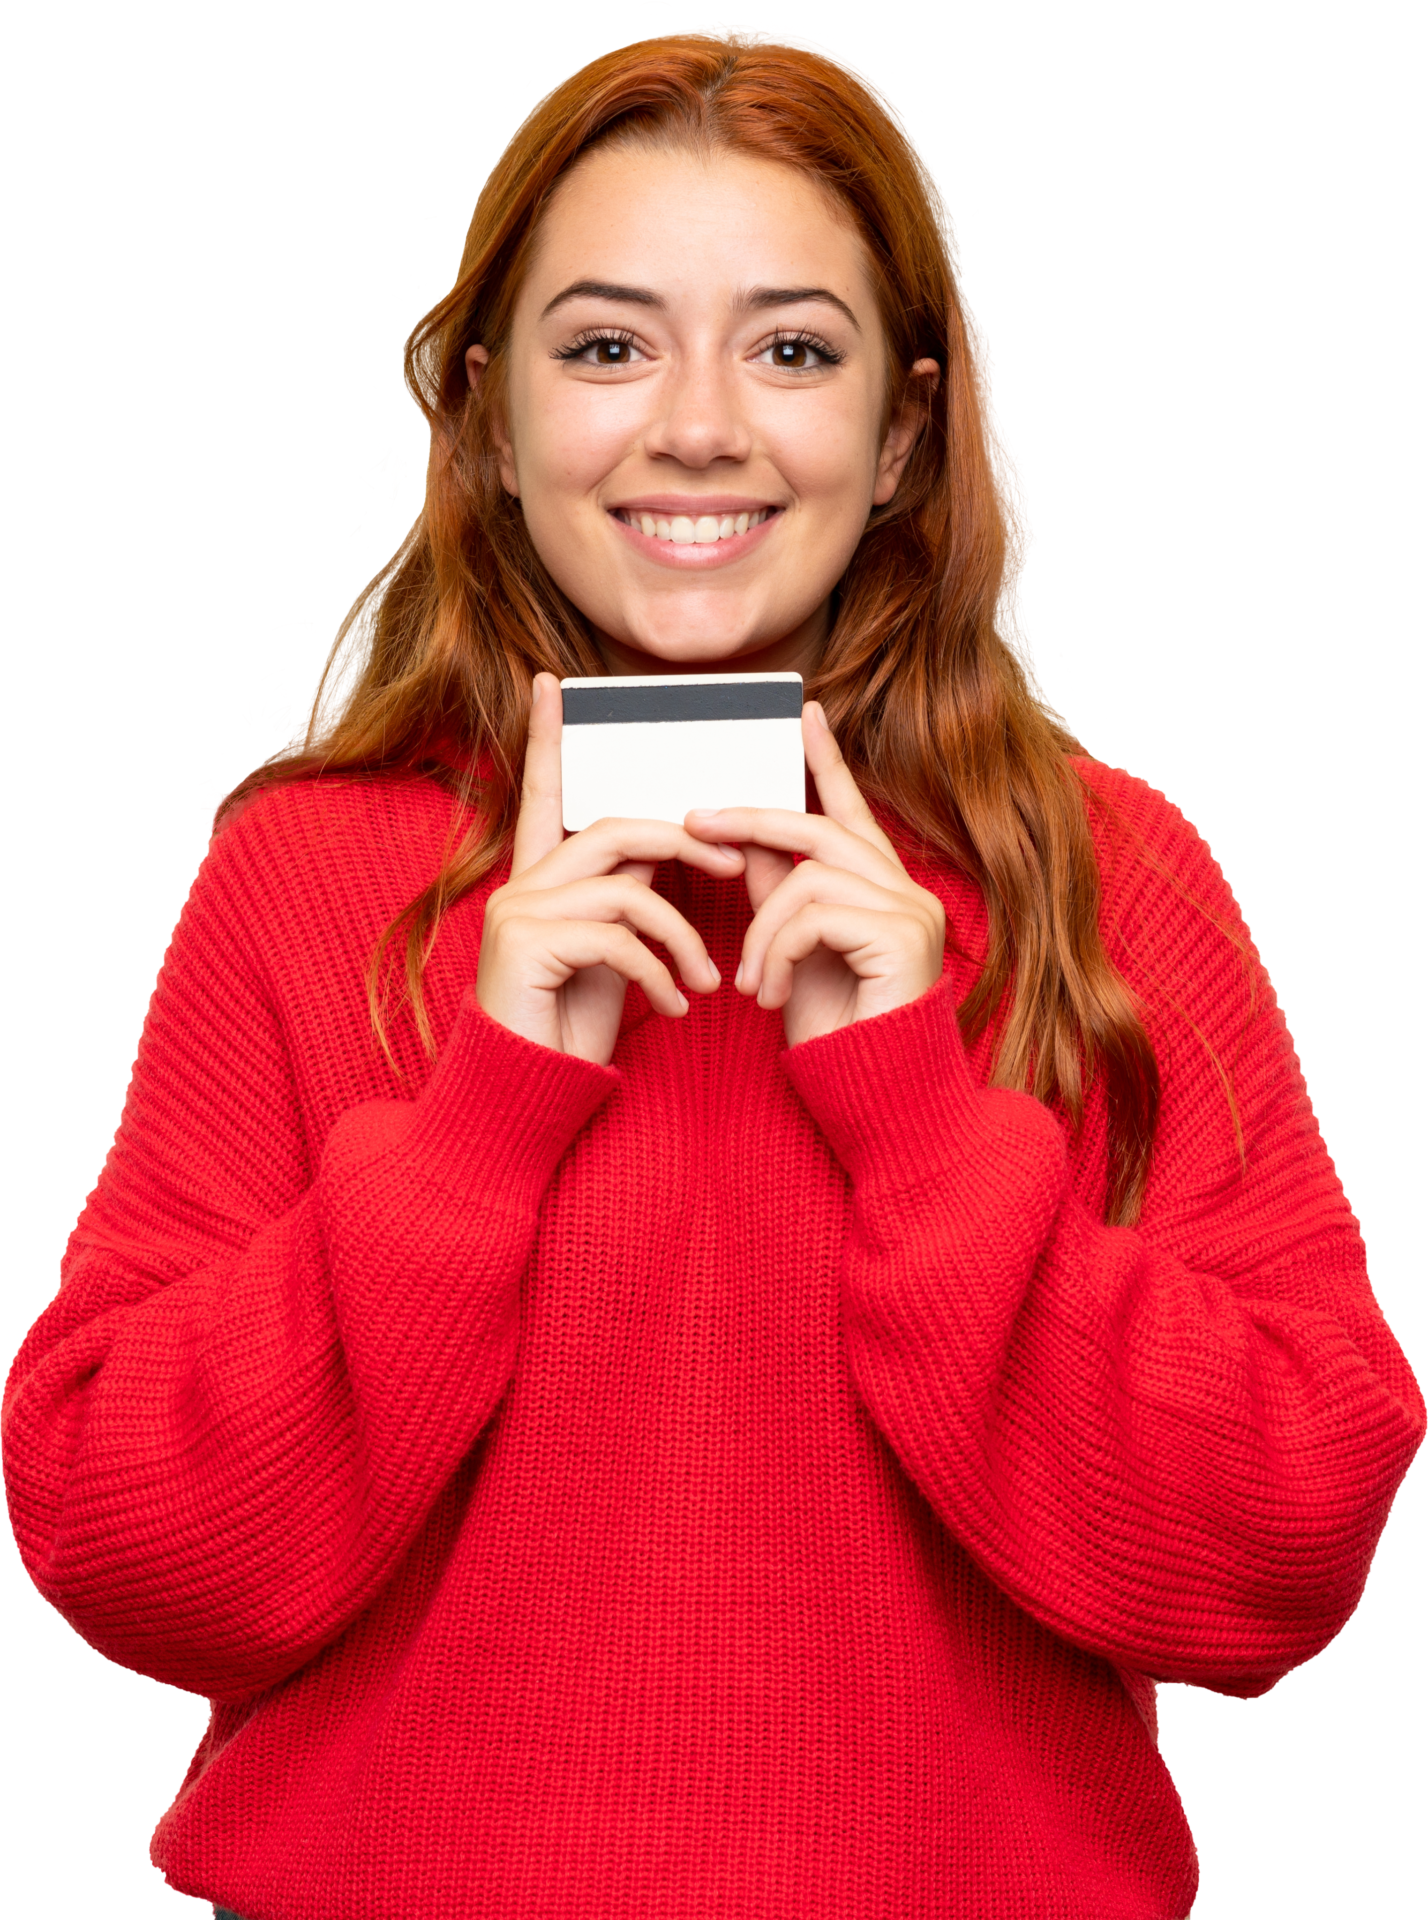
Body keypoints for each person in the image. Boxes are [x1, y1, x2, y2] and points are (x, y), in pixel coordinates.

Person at [2, 23, 1421, 1920]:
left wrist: (923, 1124)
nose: (697, 426)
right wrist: (474, 1133)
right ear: (494, 422)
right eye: (608, 346)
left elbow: (1285, 1556)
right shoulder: (305, 877)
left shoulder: (1108, 874)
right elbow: (126, 1557)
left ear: (903, 428)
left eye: (792, 348)